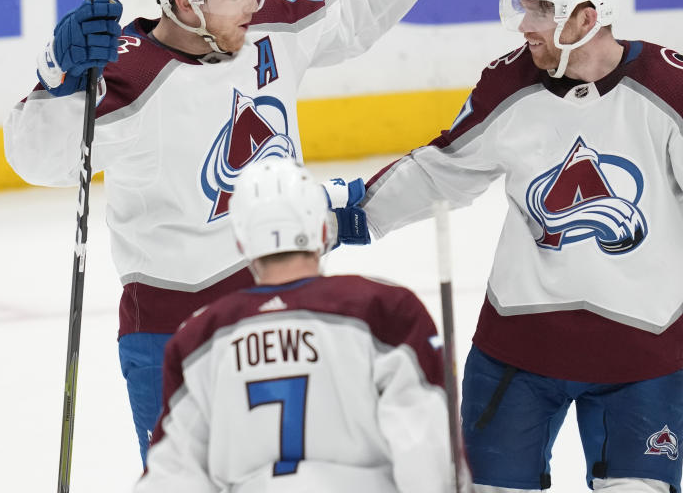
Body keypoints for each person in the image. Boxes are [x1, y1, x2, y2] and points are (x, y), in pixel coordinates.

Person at [3, 0, 509, 466]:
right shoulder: (126, 82)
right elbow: (40, 160)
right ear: (186, 0)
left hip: (281, 302)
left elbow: (351, 9)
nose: (254, 0)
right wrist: (55, 77)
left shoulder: (267, 29)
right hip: (169, 330)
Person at [335, 0, 683, 492]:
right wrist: (348, 215)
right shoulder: (509, 83)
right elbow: (441, 169)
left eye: (543, 8)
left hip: (639, 363)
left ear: (587, 17)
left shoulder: (675, 92)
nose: (525, 24)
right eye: (523, 4)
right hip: (515, 356)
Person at [134, 158, 453, 492]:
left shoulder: (201, 338)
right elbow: (425, 451)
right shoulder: (385, 312)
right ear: (324, 230)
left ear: (242, 244)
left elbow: (172, 475)